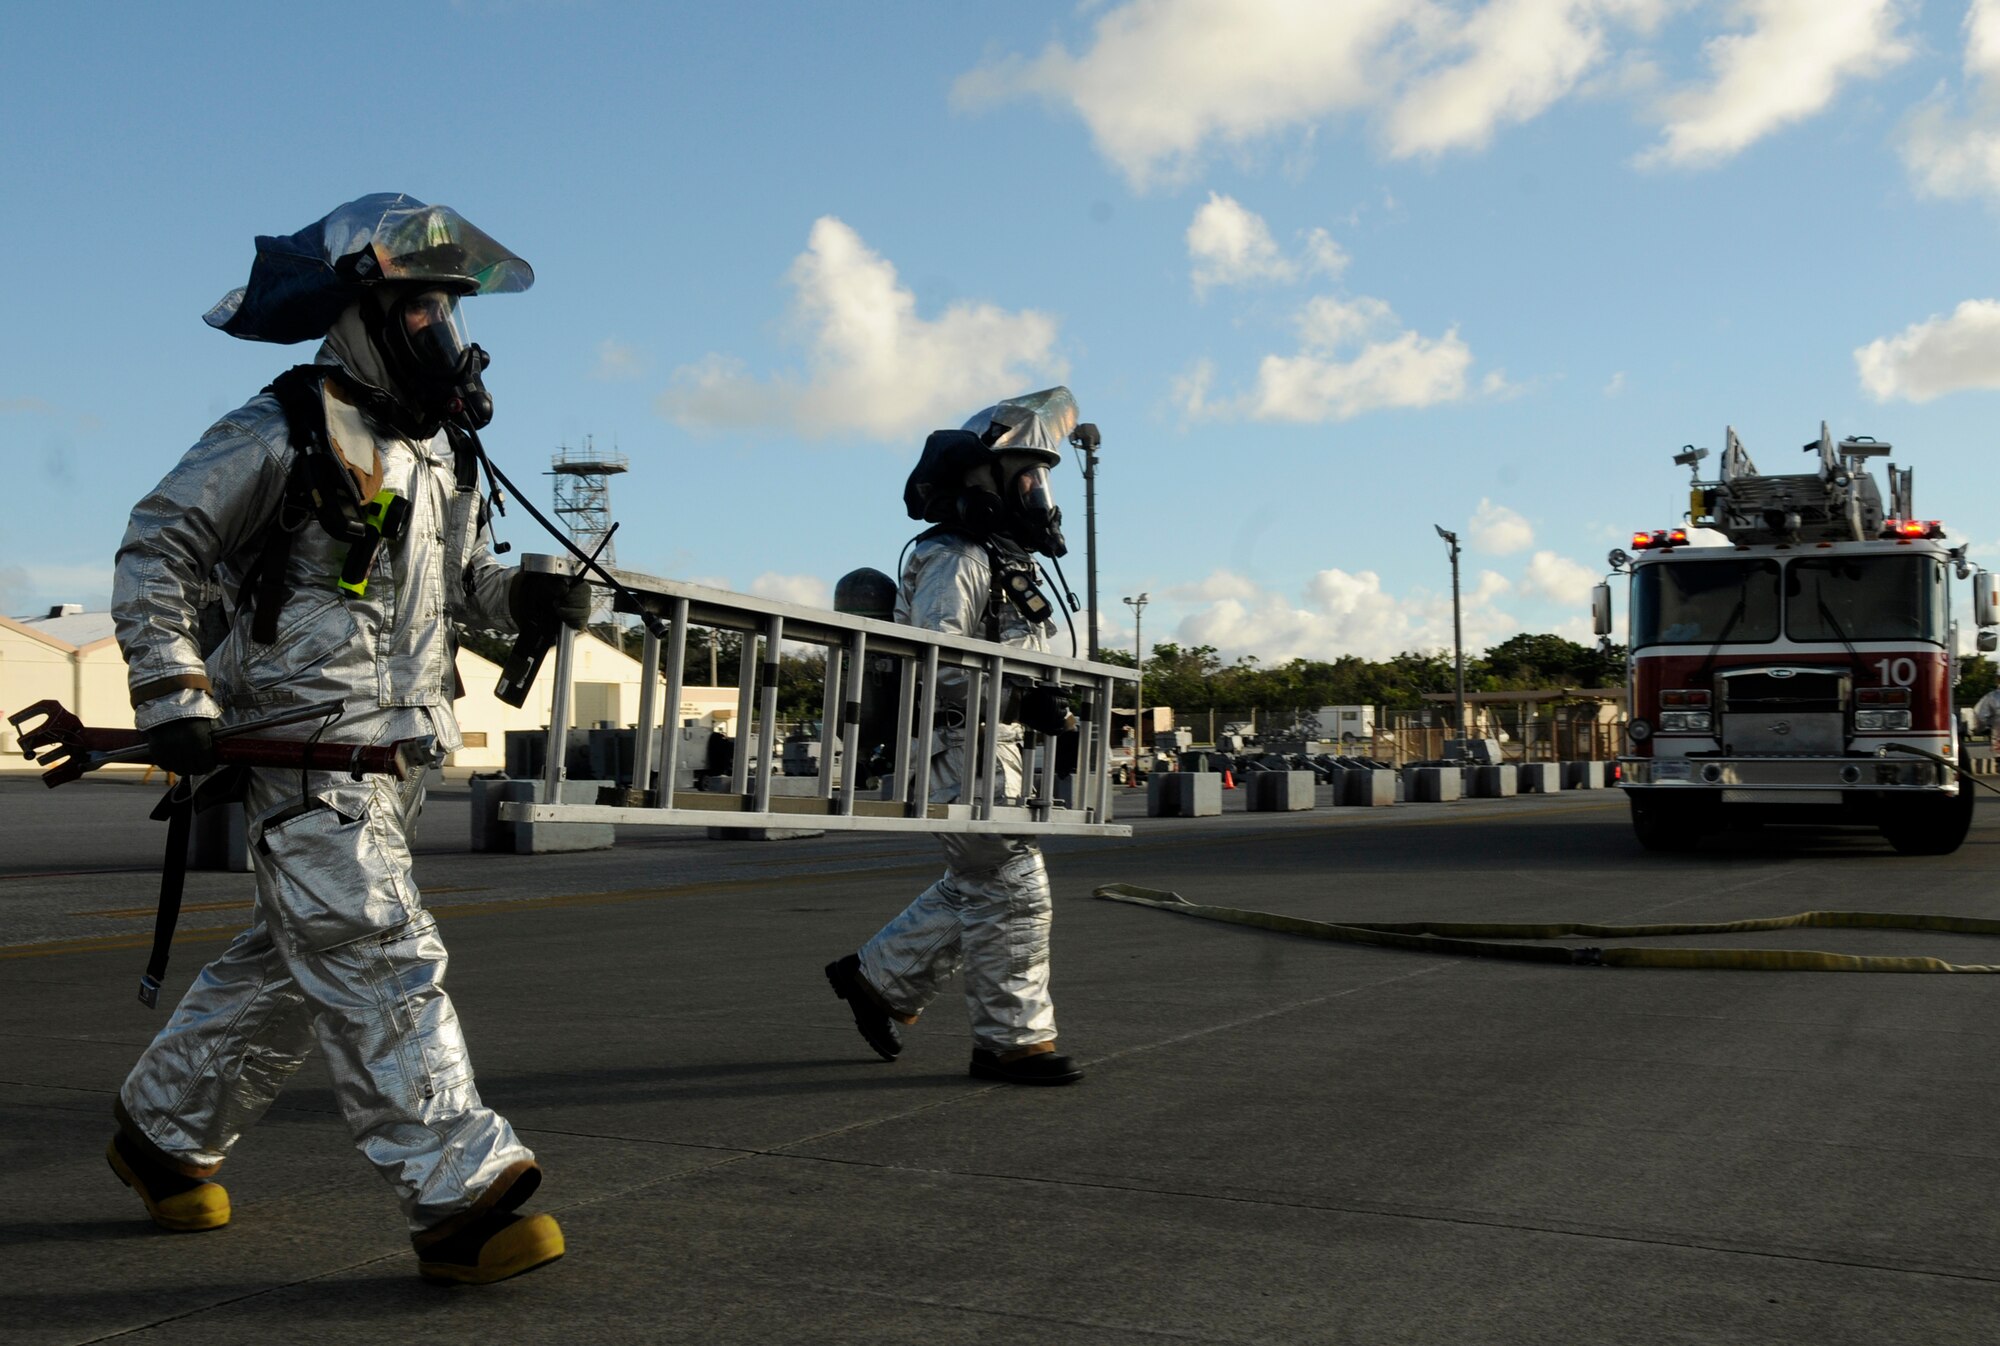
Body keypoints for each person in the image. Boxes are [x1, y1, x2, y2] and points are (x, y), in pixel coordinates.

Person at [105, 194, 584, 1285]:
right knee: (378, 950)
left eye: (448, 311)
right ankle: (457, 1187)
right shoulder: (279, 428)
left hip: (395, 752)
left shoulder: (436, 456)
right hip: (303, 753)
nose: (443, 333)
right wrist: (171, 685)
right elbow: (158, 543)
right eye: (420, 308)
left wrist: (525, 597)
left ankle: (161, 1130)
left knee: (286, 962)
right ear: (364, 313)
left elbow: (459, 589)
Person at [825, 388, 1085, 1086]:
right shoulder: (956, 556)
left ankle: (877, 980)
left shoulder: (1000, 557)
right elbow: (933, 664)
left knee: (980, 880)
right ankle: (1011, 1042)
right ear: (986, 477)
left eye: (1042, 477)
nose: (1037, 490)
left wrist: (1038, 703)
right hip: (953, 743)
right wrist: (1024, 697)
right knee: (1012, 882)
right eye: (1027, 475)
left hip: (987, 744)